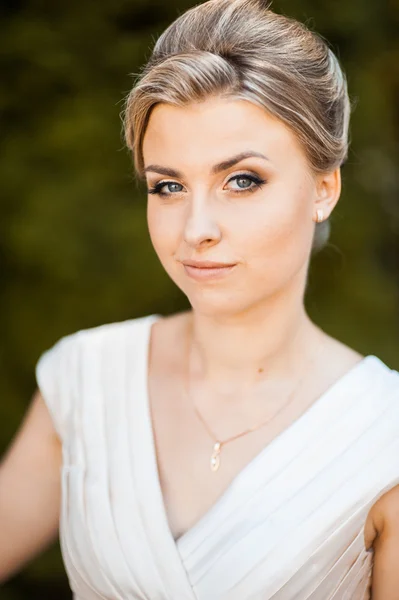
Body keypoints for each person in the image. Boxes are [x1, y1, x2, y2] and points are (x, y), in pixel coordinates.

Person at [1, 0, 399, 598]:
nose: (196, 229)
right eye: (168, 186)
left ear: (324, 188)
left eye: (241, 180)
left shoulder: (383, 439)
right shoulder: (85, 379)